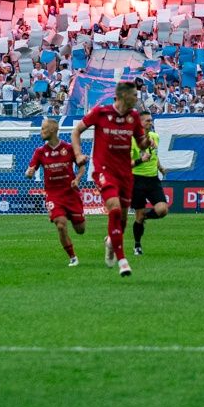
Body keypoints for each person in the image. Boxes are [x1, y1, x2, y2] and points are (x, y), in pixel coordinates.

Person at [72, 80, 151, 277]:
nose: (137, 99)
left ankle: (110, 242)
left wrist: (146, 140)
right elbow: (76, 131)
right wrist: (78, 154)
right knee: (114, 208)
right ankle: (123, 261)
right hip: (104, 171)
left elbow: (141, 144)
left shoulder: (133, 117)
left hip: (125, 173)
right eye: (134, 95)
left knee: (122, 219)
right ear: (124, 95)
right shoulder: (100, 113)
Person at [26, 118, 88, 266]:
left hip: (71, 193)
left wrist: (77, 179)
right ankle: (73, 257)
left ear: (53, 130)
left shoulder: (68, 148)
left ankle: (71, 216)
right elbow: (31, 169)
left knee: (80, 230)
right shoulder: (40, 152)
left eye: (43, 129)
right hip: (53, 195)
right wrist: (29, 172)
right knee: (60, 224)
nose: (41, 132)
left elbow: (81, 167)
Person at [129, 111, 169, 256]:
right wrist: (141, 160)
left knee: (162, 210)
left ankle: (145, 216)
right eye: (147, 120)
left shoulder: (154, 137)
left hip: (153, 180)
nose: (150, 123)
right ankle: (137, 245)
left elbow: (154, 156)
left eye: (151, 120)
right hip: (137, 181)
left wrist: (160, 168)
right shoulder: (131, 140)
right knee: (138, 217)